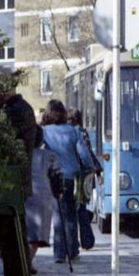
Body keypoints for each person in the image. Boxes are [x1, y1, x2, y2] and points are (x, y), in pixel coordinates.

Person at [0, 86, 39, 276]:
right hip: (13, 184)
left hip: (13, 185)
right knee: (8, 240)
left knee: (13, 241)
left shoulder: (17, 111)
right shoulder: (19, 109)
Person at [41, 99, 95, 264]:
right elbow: (84, 155)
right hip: (71, 177)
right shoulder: (73, 131)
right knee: (71, 214)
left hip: (53, 176)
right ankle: (72, 251)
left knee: (58, 214)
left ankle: (59, 253)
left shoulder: (44, 131)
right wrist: (90, 167)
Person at [24, 126, 62, 274]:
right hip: (42, 197)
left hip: (23, 195)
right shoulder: (49, 156)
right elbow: (56, 176)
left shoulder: (21, 155)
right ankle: (27, 262)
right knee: (35, 235)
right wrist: (59, 192)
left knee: (24, 232)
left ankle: (25, 262)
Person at [69, 109, 101, 249]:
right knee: (81, 207)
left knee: (72, 209)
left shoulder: (68, 132)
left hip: (71, 174)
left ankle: (74, 241)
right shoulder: (81, 132)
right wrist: (96, 170)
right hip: (82, 174)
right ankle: (86, 240)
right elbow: (87, 153)